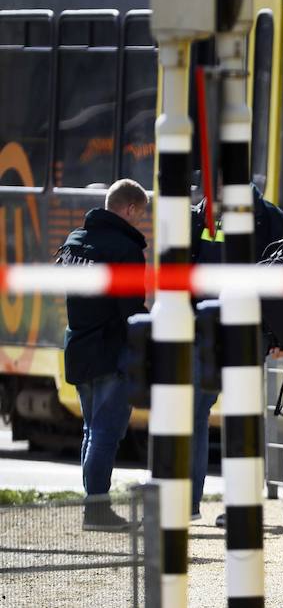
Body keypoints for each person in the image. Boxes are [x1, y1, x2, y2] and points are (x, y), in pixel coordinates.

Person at [189, 180, 283, 522]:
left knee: (204, 416)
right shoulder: (265, 216)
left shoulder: (208, 213)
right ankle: (213, 505)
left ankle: (210, 505)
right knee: (220, 418)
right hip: (225, 329)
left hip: (224, 329)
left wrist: (277, 334)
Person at [58, 179, 149, 531]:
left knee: (90, 431)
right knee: (104, 434)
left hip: (79, 346)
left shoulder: (74, 242)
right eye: (140, 216)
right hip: (112, 352)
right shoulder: (125, 249)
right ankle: (96, 511)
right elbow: (131, 310)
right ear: (129, 209)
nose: (139, 222)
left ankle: (91, 506)